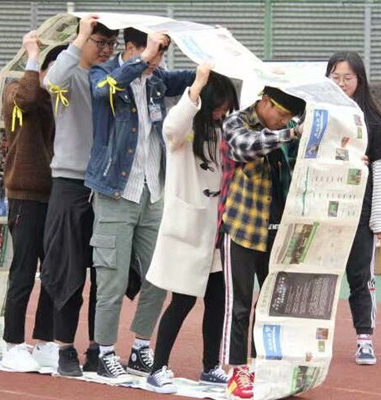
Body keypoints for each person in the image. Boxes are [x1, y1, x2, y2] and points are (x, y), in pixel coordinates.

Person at [86, 28, 195, 379]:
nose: (156, 60)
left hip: (153, 194)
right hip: (116, 192)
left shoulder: (157, 79)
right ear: (131, 48)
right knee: (112, 281)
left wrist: (215, 56)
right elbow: (102, 93)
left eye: (160, 54)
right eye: (151, 52)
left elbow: (192, 78)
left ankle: (140, 348)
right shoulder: (103, 74)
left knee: (159, 276)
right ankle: (105, 352)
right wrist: (144, 59)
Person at [143, 64, 239, 393]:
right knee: (182, 301)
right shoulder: (184, 132)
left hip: (217, 231)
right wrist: (196, 86)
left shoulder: (224, 131)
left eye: (226, 108)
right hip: (189, 229)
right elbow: (172, 126)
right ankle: (158, 367)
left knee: (218, 301)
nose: (221, 113)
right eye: (218, 107)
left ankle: (211, 366)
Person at [40, 15, 118, 377]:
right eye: (99, 42)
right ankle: (64, 349)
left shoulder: (112, 79)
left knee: (105, 274)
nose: (106, 50)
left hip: (106, 186)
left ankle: (98, 349)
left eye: (111, 44)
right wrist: (81, 33)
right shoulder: (67, 73)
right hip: (70, 184)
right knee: (68, 271)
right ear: (83, 40)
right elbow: (51, 81)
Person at [219, 86, 305, 400]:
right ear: (265, 102)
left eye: (288, 119)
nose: (283, 122)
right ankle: (236, 371)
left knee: (272, 305)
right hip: (242, 227)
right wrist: (290, 133)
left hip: (278, 230)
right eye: (281, 115)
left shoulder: (287, 130)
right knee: (239, 305)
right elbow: (246, 147)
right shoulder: (236, 122)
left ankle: (261, 366)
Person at [326, 51, 381, 365]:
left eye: (348, 78)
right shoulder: (318, 114)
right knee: (320, 279)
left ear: (360, 80)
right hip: (322, 211)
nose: (342, 83)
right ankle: (312, 340)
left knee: (360, 278)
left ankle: (364, 339)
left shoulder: (373, 121)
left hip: (358, 213)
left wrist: (378, 217)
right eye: (335, 77)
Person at [0, 31, 66, 373]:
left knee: (54, 273)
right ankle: (12, 344)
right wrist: (33, 54)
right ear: (44, 67)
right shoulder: (17, 90)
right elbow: (26, 99)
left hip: (56, 195)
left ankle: (43, 342)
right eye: (57, 67)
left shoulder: (59, 100)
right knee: (23, 272)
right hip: (26, 196)